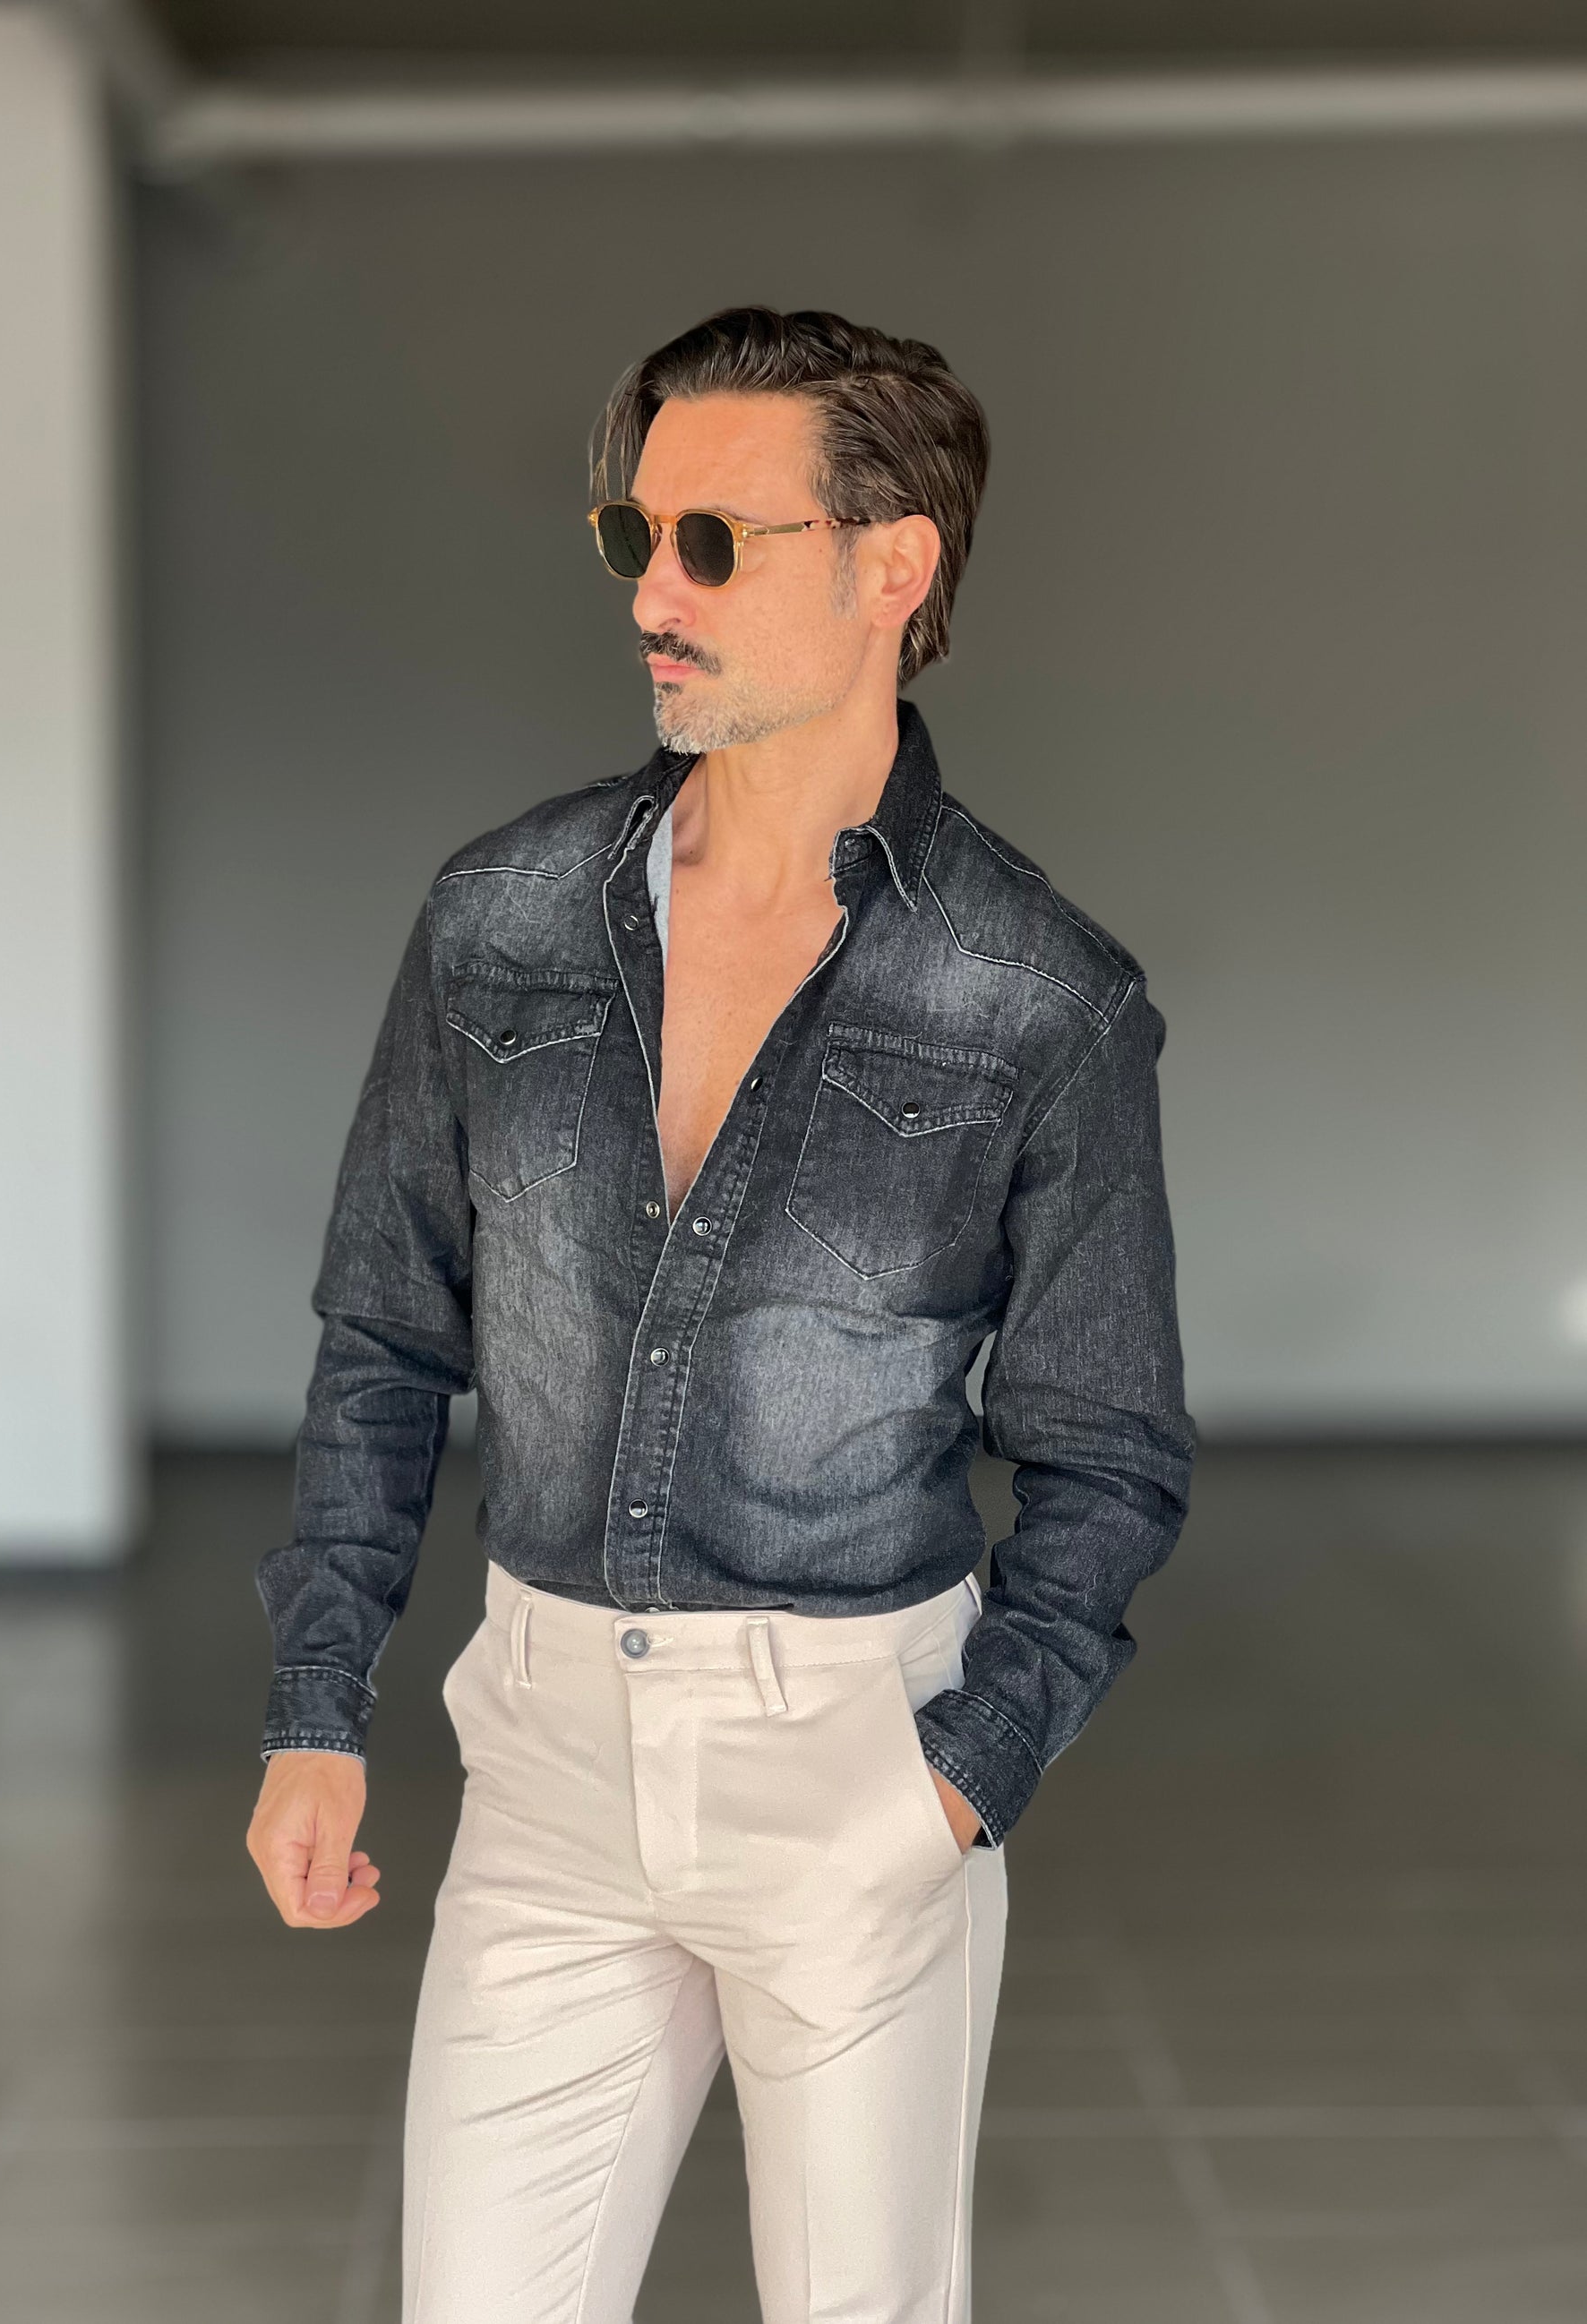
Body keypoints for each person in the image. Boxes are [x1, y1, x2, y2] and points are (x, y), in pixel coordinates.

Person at [245, 304, 1195, 2324]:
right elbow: (385, 1331)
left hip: (854, 1757)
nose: (649, 596)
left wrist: (952, 1784)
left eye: (711, 542)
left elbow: (1107, 1454)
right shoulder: (499, 917)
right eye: (632, 536)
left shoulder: (1039, 995)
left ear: (893, 564)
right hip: (544, 1760)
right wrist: (318, 1701)